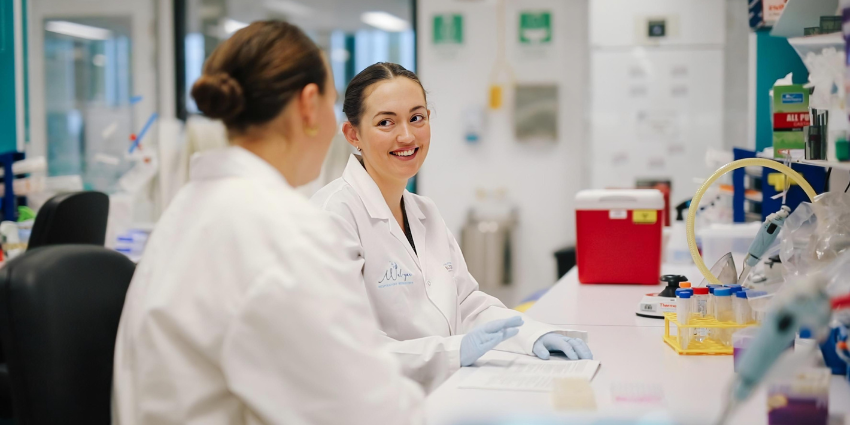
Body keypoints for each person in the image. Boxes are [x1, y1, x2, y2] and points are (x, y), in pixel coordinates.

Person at [113, 24, 423, 424]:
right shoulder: (281, 230)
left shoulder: (187, 209)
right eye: (331, 104)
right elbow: (370, 410)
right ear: (309, 106)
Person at [311, 62, 592, 392]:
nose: (407, 135)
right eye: (386, 122)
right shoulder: (333, 215)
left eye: (417, 118)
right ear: (352, 134)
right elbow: (350, 346)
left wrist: (533, 334)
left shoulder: (425, 212)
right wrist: (455, 350)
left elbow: (467, 304)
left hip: (441, 393)